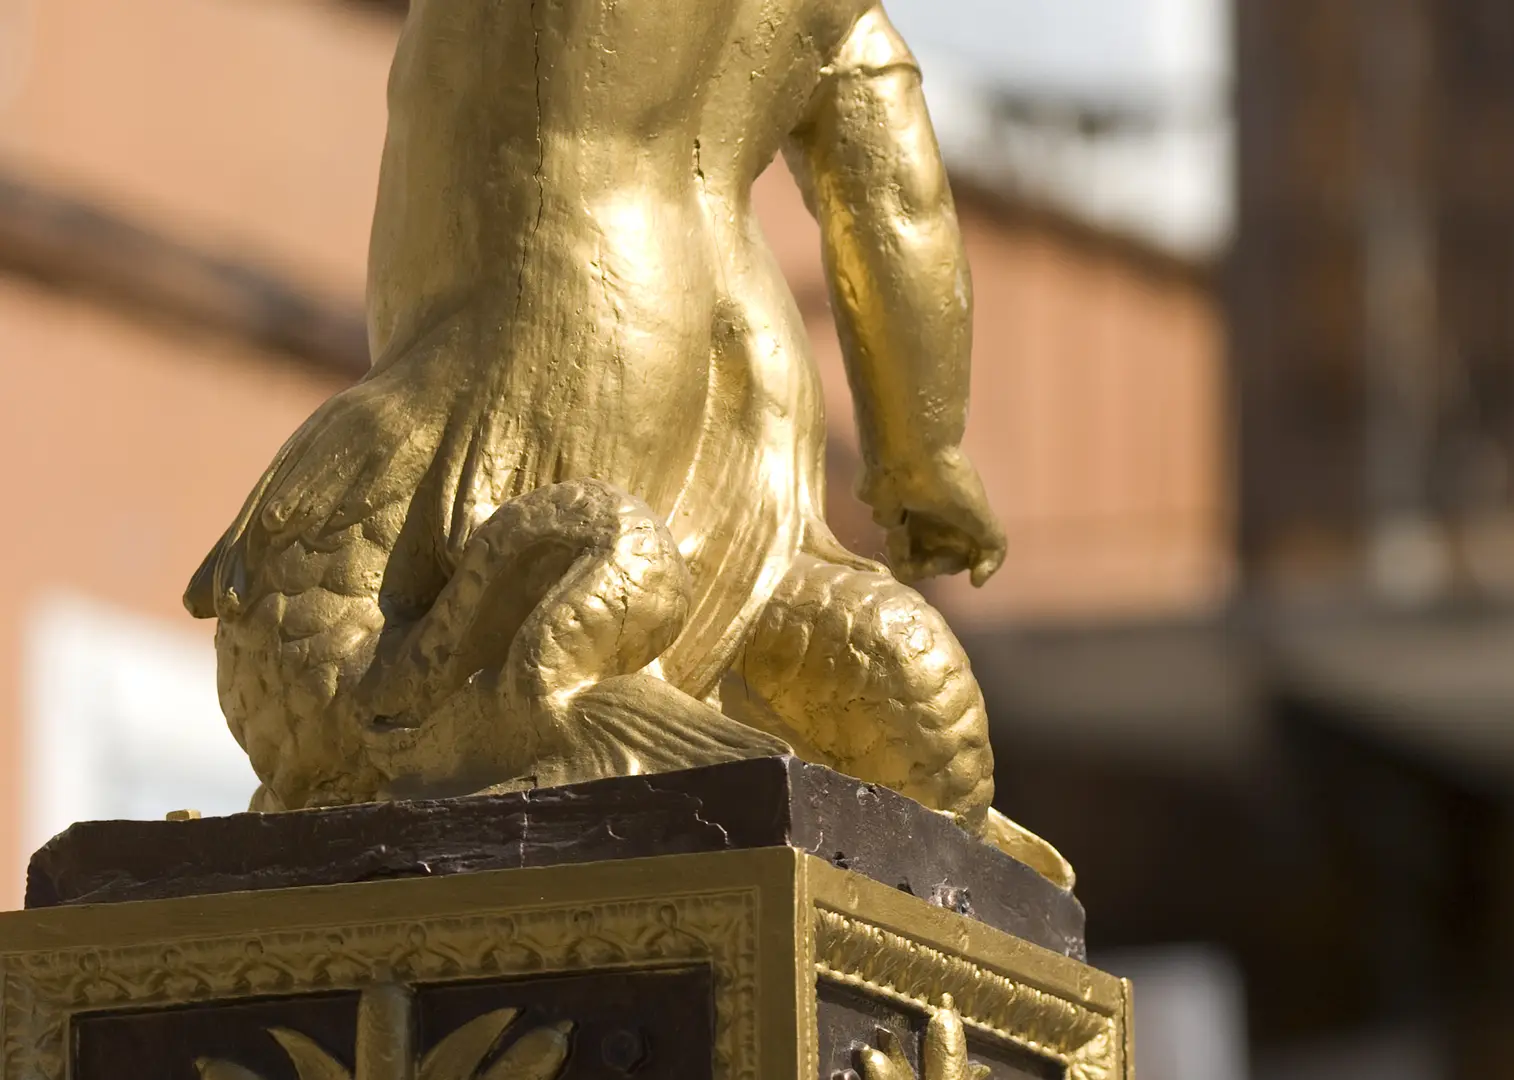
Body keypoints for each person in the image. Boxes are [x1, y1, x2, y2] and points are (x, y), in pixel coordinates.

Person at [185, 0, 1071, 887]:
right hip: (745, 386)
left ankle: (532, 729)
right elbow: (898, 201)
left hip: (541, 330)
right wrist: (924, 460)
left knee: (350, 700)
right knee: (806, 658)